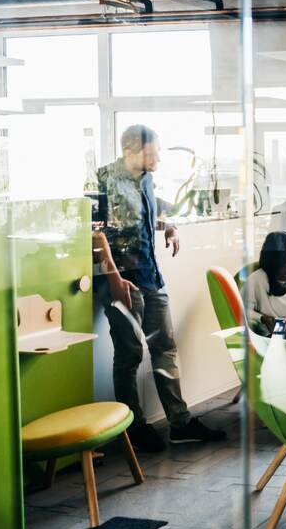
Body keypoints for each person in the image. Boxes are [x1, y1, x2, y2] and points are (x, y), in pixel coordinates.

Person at [96, 124, 226, 453]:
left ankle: (180, 423)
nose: (156, 160)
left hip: (150, 276)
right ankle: (133, 428)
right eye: (150, 154)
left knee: (165, 348)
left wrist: (167, 224)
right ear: (129, 152)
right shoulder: (103, 180)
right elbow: (94, 232)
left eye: (156, 153)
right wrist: (113, 277)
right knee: (129, 356)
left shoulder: (146, 179)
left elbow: (140, 218)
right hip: (122, 280)